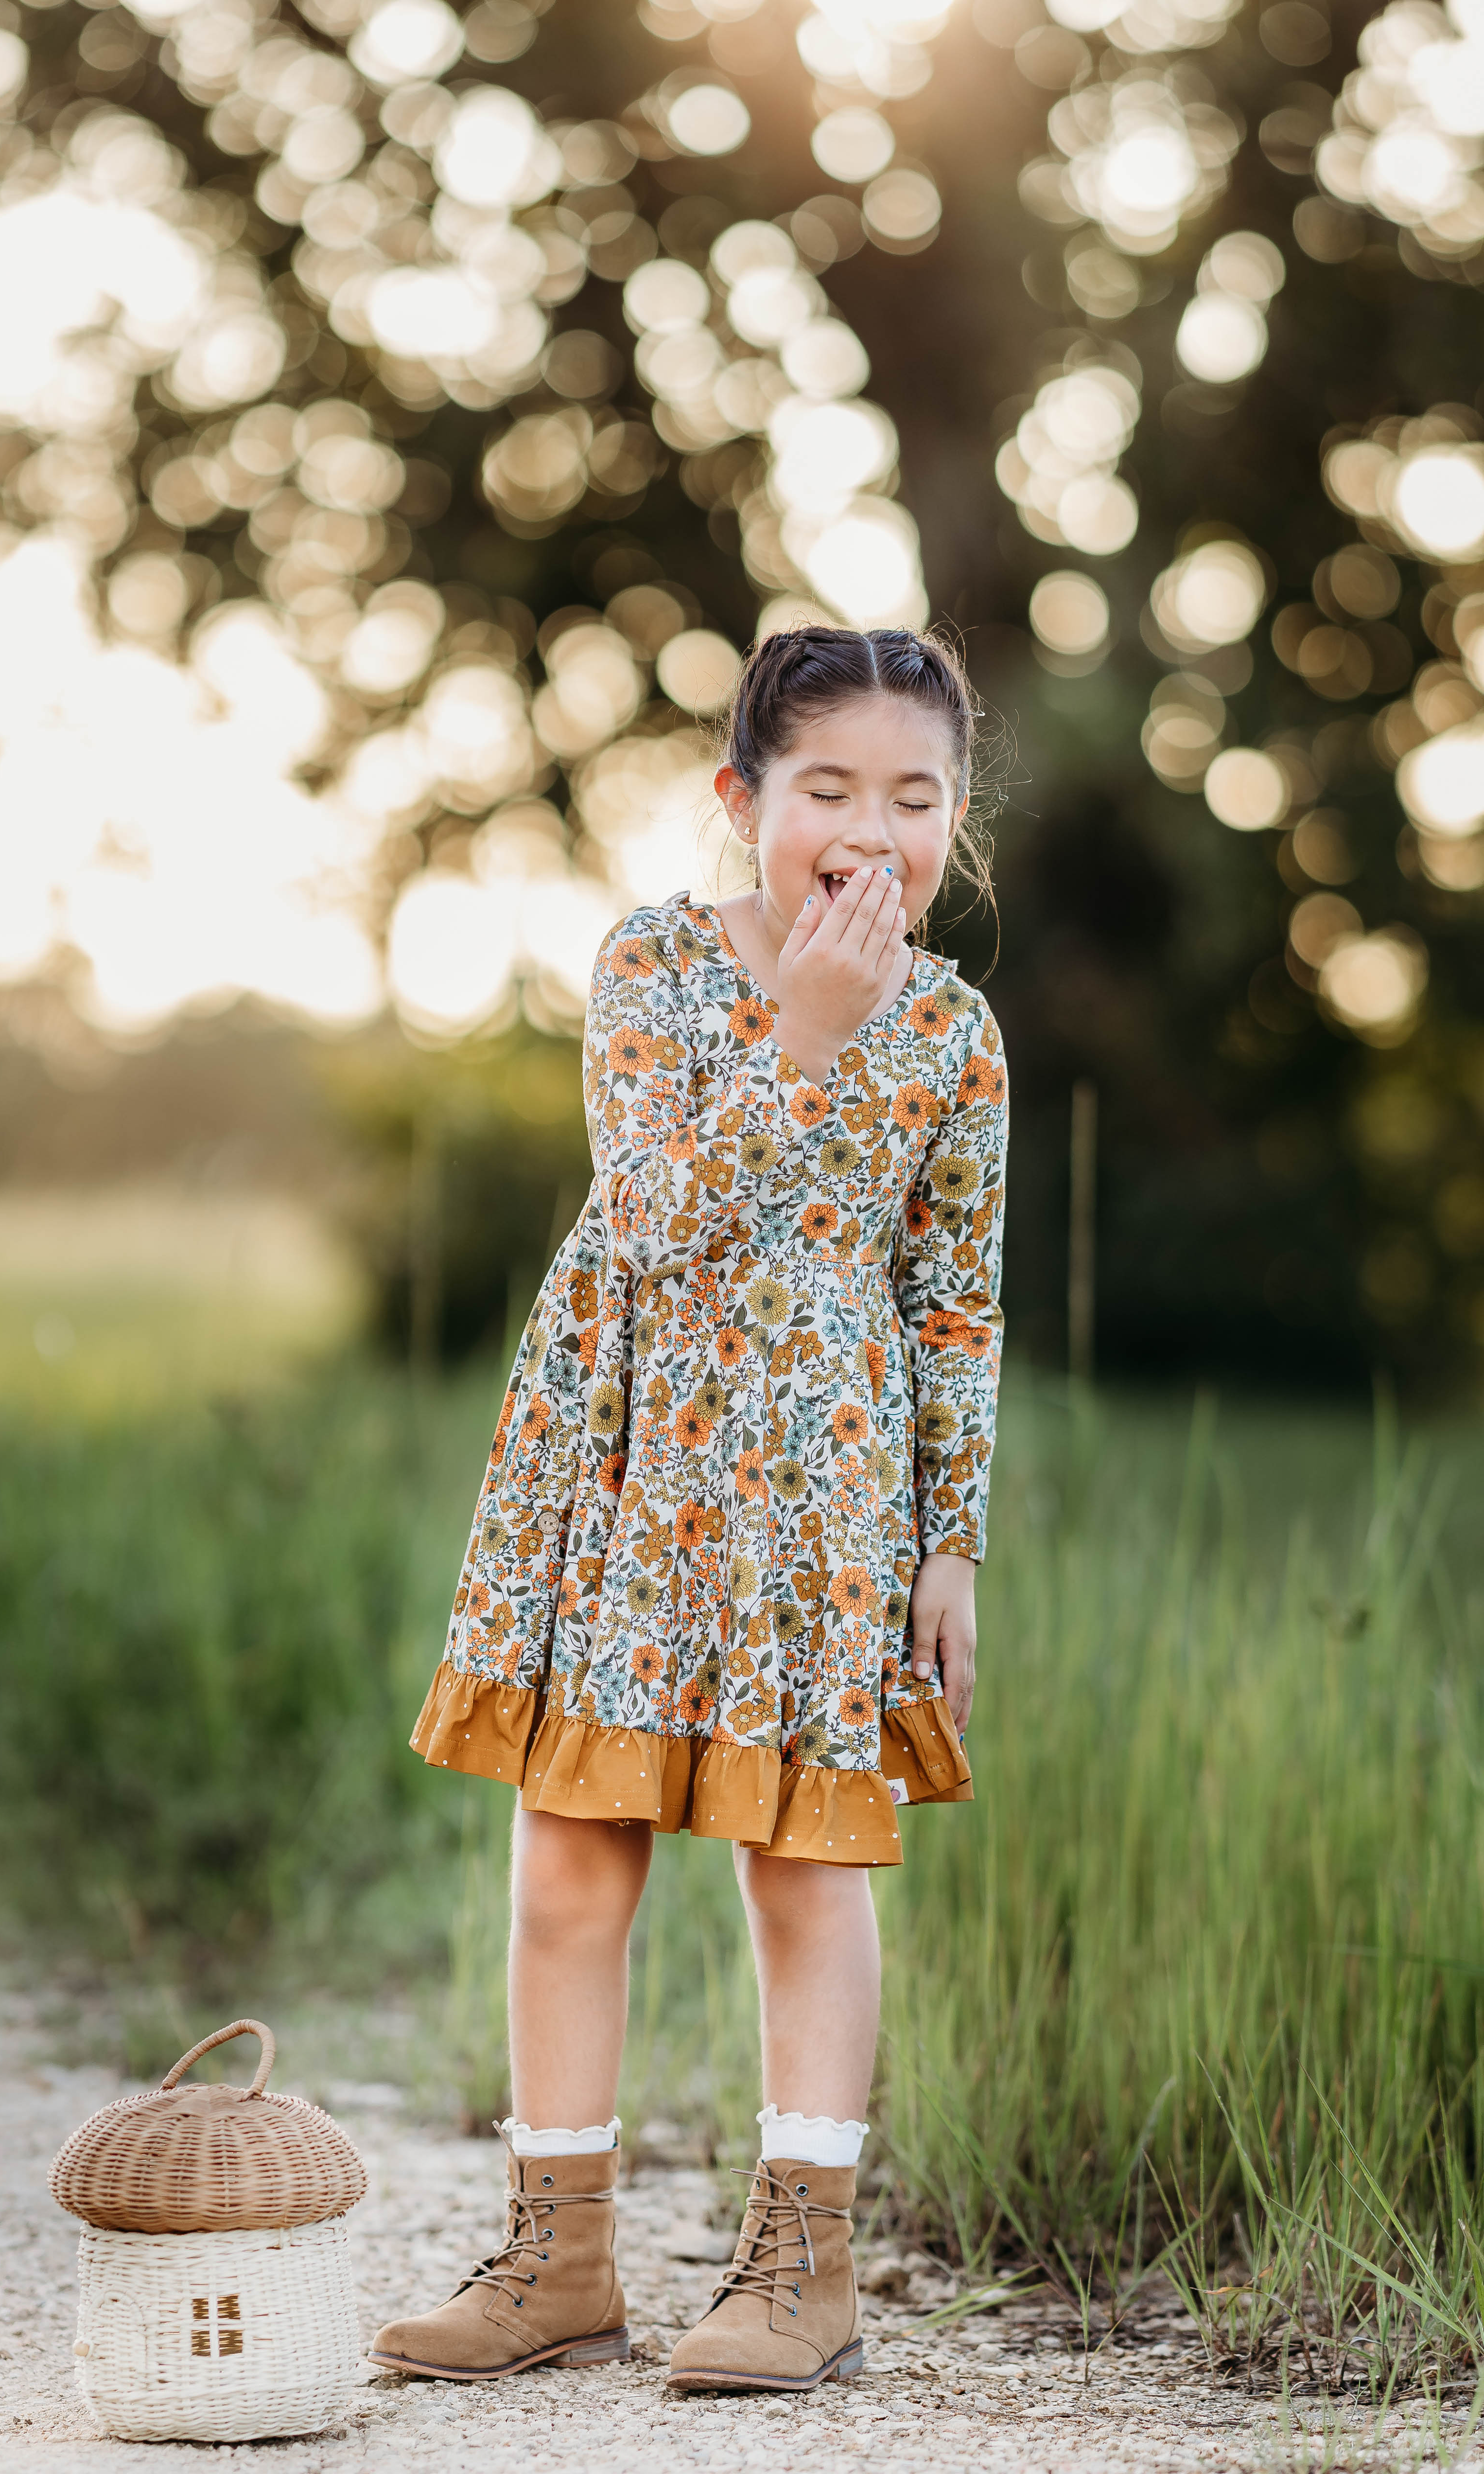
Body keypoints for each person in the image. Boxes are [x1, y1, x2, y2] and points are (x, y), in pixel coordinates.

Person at [368, 624, 1007, 2394]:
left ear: (955, 821)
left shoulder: (958, 1035)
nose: (870, 831)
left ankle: (804, 2265)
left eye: (915, 795)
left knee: (805, 1869)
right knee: (570, 1863)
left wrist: (953, 1540)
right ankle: (557, 2258)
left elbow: (957, 1302)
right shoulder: (654, 964)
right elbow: (651, 1215)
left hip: (822, 1509)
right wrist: (805, 1033)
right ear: (745, 802)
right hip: (629, 1475)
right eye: (828, 790)